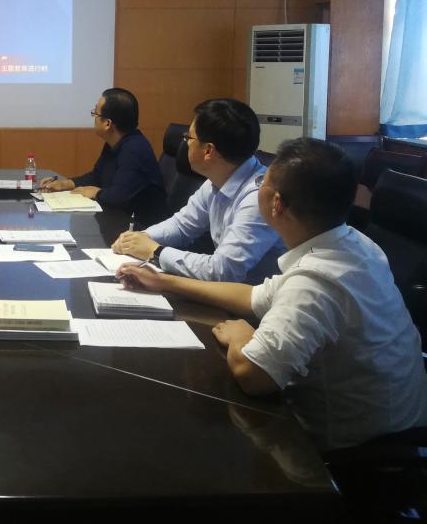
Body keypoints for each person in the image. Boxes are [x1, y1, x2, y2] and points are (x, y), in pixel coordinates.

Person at [115, 137, 427, 451]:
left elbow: (253, 375)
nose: (257, 185)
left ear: (276, 203)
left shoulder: (316, 282)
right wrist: (164, 282)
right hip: (397, 424)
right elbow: (255, 296)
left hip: (354, 452)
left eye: (261, 181)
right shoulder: (353, 244)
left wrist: (242, 337)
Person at [112, 97, 284, 283]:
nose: (186, 143)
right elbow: (182, 225)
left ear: (208, 151)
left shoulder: (259, 197)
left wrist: (155, 251)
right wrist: (140, 238)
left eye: (189, 138)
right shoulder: (218, 178)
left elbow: (222, 270)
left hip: (254, 297)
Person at [40, 87, 166, 226]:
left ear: (107, 124)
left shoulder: (135, 150)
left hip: (141, 228)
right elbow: (97, 176)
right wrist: (65, 184)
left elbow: (120, 196)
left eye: (95, 113)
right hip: (119, 220)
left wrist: (96, 193)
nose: (94, 118)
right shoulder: (115, 143)